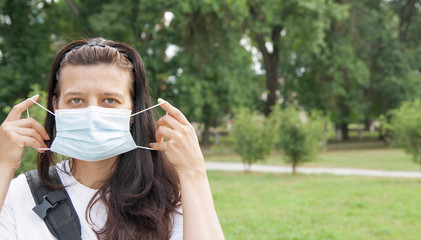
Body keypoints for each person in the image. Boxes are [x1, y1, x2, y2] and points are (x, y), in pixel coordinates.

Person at [0, 38, 224, 239]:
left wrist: (193, 172)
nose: (92, 115)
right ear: (56, 107)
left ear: (132, 112)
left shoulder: (171, 199)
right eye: (76, 100)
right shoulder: (19, 194)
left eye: (109, 100)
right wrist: (3, 165)